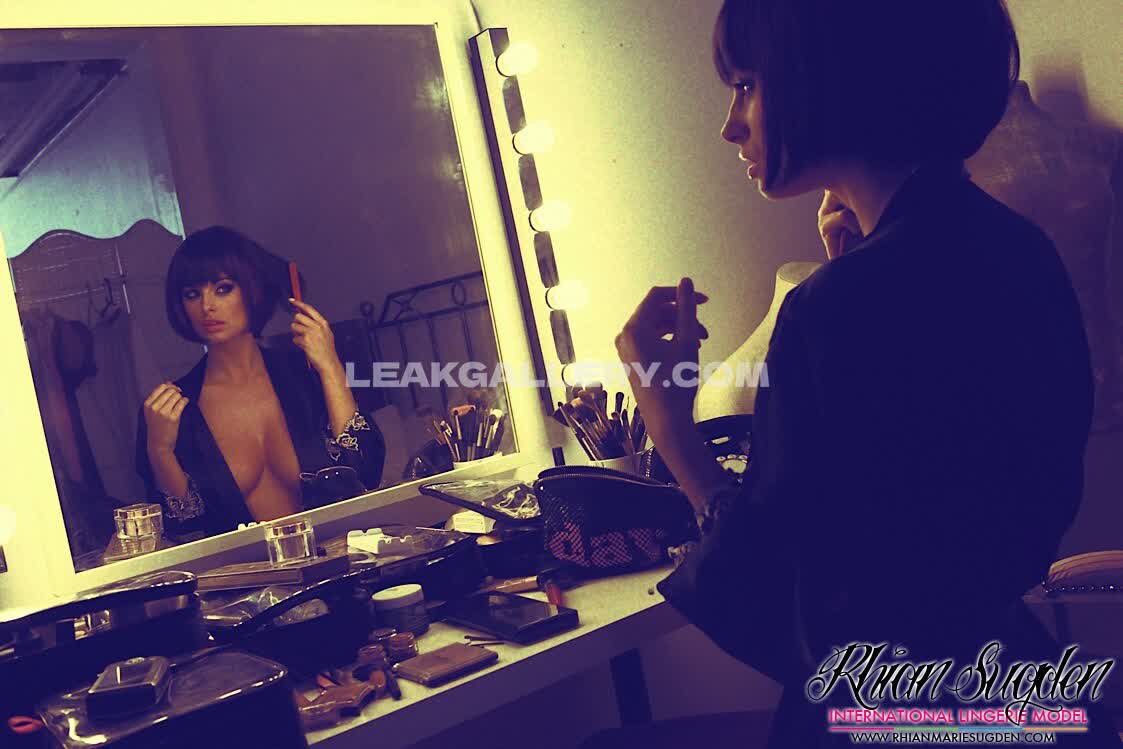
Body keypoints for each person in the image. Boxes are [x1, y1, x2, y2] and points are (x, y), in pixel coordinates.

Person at [596, 1, 1117, 746]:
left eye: (745, 85)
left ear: (823, 79)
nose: (730, 125)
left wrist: (671, 429)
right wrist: (852, 271)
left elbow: (792, 616)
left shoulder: (834, 309)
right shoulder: (1019, 249)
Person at [136, 226, 385, 539]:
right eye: (192, 294)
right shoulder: (175, 409)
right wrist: (160, 450)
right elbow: (184, 527)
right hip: (242, 571)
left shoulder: (305, 377)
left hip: (336, 558)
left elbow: (366, 471)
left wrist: (331, 366)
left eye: (223, 289)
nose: (206, 306)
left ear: (252, 289)